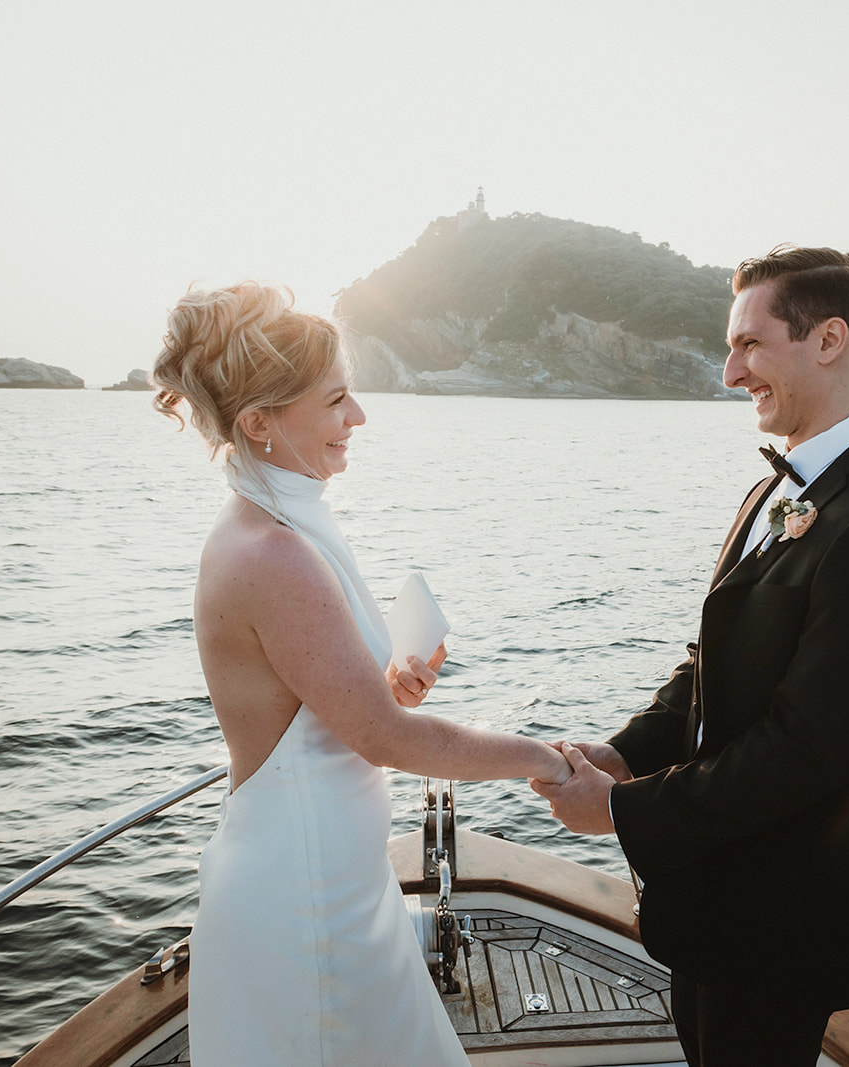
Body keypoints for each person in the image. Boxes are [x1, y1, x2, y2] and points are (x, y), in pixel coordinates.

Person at [532, 246, 849, 1065]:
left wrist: (623, 811)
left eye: (750, 345)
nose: (730, 372)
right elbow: (709, 664)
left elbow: (808, 751)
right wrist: (624, 750)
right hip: (717, 901)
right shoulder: (776, 491)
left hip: (780, 923)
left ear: (829, 340)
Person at [151, 282, 570, 1066]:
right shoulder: (273, 552)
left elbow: (327, 705)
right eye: (338, 399)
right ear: (260, 424)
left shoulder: (279, 521)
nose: (359, 417)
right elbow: (380, 739)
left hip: (337, 879)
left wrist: (387, 678)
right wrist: (542, 759)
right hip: (306, 902)